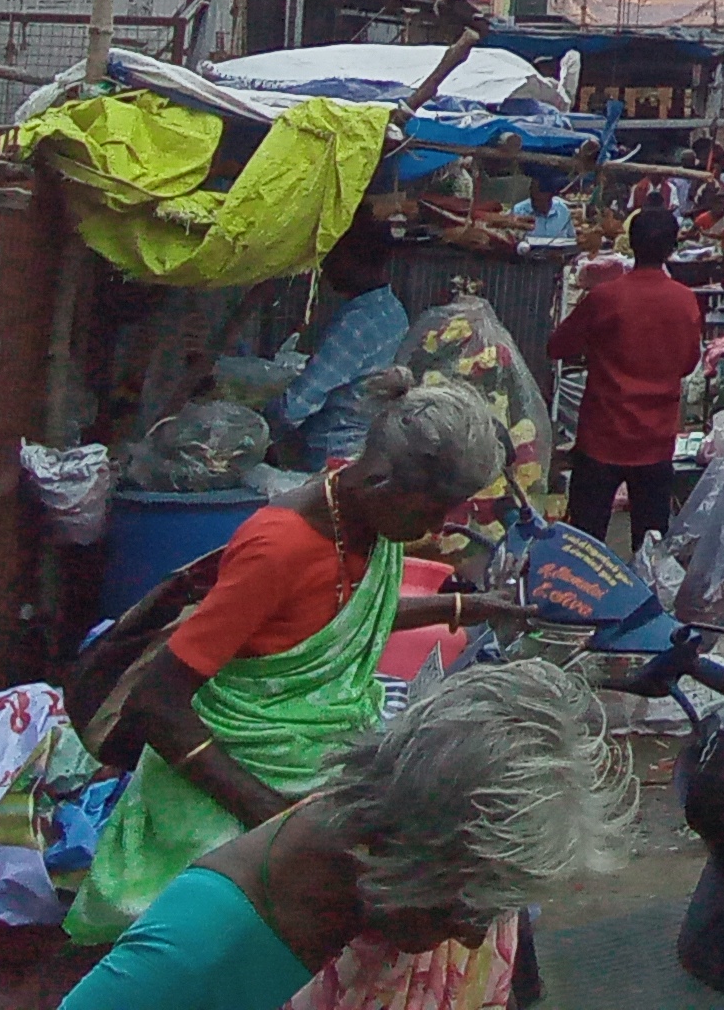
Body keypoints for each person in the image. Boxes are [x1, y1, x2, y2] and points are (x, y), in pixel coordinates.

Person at [71, 385, 523, 951]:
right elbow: (156, 704)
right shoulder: (280, 546)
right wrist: (274, 820)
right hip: (231, 782)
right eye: (431, 510)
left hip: (314, 760)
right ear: (382, 480)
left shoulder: (365, 519)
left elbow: (343, 614)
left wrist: (466, 608)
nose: (436, 528)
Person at [61, 660, 636, 1010]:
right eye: (462, 913)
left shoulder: (463, 879)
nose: (472, 939)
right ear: (394, 851)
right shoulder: (200, 949)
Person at [544, 205, 704, 553]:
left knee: (584, 546)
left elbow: (558, 346)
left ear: (630, 243)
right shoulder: (685, 301)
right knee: (650, 548)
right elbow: (688, 363)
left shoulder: (606, 297)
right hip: (656, 440)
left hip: (602, 435)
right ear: (671, 248)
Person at [279, 219, 411, 466]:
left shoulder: (357, 325)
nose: (325, 264)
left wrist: (255, 421)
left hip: (330, 454)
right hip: (366, 444)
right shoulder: (393, 309)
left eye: (332, 254)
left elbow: (295, 406)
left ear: (350, 258)